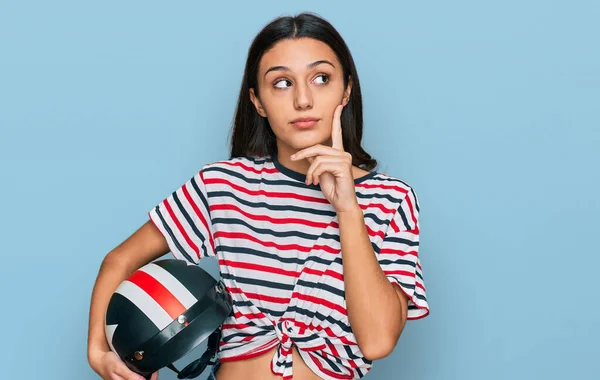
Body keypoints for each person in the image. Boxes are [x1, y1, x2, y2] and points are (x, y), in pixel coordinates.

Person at [87, 12, 430, 380]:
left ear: (346, 90)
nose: (303, 100)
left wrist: (347, 208)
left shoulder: (390, 198)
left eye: (321, 78)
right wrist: (97, 354)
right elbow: (119, 260)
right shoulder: (223, 186)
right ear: (258, 101)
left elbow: (378, 341)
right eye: (282, 82)